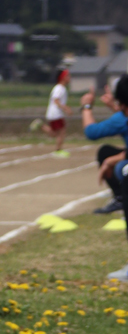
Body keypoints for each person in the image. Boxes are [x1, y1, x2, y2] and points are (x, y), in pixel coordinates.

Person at [80, 77, 128, 280]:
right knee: (116, 163)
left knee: (122, 171)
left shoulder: (122, 117)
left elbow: (91, 132)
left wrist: (87, 106)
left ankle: (121, 198)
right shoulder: (122, 116)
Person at [35, 69, 71, 157]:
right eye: (67, 76)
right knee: (61, 132)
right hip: (56, 114)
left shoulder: (61, 88)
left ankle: (41, 125)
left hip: (54, 113)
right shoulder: (59, 88)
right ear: (62, 78)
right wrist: (66, 108)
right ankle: (58, 150)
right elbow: (56, 100)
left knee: (54, 133)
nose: (69, 78)